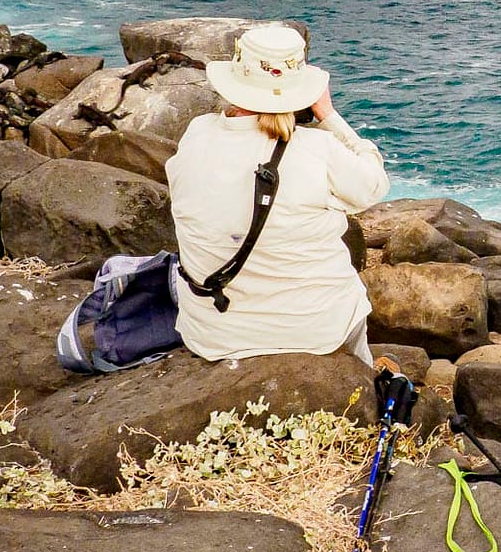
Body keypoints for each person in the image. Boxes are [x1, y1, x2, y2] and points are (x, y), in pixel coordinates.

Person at [166, 23, 390, 364]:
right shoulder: (316, 149)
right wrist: (327, 115)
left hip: (213, 331)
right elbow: (373, 185)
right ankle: (365, 376)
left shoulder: (197, 134)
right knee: (349, 299)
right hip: (313, 330)